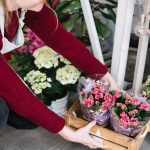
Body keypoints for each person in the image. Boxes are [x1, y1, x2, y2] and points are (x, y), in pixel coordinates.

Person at [0, 0, 119, 149]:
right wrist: (67, 132)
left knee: (26, 119)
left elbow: (63, 41)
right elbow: (11, 88)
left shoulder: (25, 7)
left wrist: (106, 77)